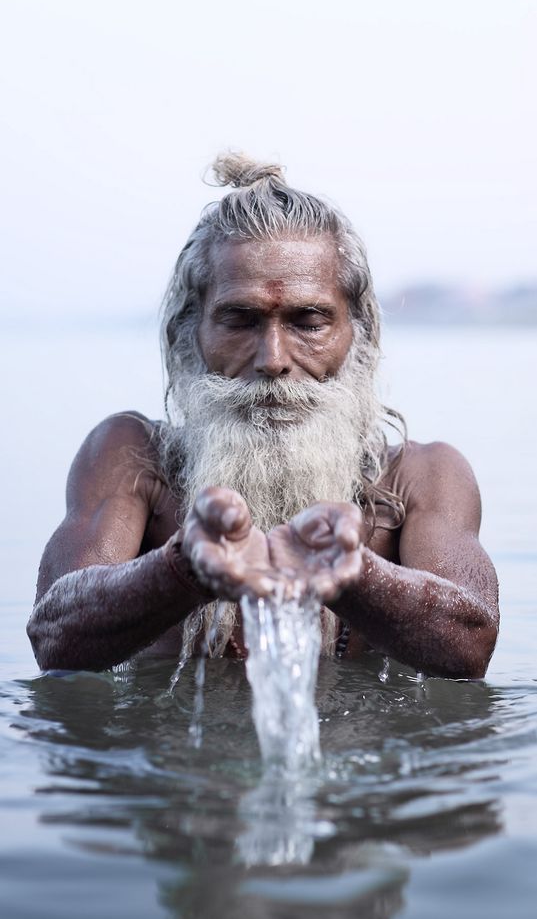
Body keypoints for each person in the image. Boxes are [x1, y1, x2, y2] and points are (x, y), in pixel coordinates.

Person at [27, 153, 499, 678]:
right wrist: (180, 569)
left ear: (357, 334)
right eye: (240, 320)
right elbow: (54, 635)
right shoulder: (131, 456)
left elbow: (471, 643)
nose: (272, 358)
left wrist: (356, 576)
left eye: (309, 321)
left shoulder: (422, 476)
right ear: (192, 332)